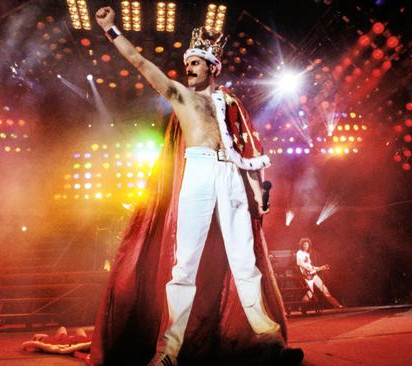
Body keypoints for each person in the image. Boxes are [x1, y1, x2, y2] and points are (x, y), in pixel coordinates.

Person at [91, 7, 303, 366]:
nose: (187, 68)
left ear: (212, 68)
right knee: (184, 264)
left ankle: (270, 340)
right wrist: (111, 29)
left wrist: (257, 193)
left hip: (232, 176)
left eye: (195, 63)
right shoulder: (179, 96)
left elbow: (247, 149)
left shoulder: (231, 103)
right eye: (186, 63)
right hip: (200, 172)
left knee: (245, 262)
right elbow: (141, 63)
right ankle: (168, 352)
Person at [295, 238, 343, 309]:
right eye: (304, 244)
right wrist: (308, 268)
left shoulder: (307, 254)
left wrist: (321, 268)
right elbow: (299, 263)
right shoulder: (299, 253)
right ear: (301, 245)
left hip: (313, 274)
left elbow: (311, 266)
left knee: (324, 289)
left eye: (307, 245)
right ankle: (301, 307)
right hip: (307, 276)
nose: (306, 246)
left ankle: (336, 305)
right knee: (310, 293)